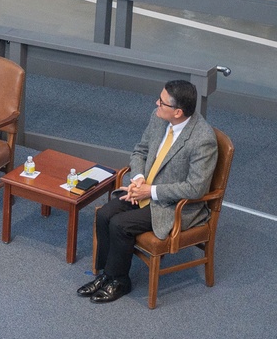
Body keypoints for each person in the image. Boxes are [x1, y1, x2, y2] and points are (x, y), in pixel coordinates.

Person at [77, 80, 218, 303]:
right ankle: (106, 275)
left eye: (162, 102)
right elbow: (140, 150)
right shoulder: (159, 117)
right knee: (104, 214)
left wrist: (149, 191)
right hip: (145, 188)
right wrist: (139, 177)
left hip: (173, 204)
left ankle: (120, 281)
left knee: (120, 225)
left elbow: (196, 187)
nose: (156, 104)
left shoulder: (203, 139)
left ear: (178, 112)